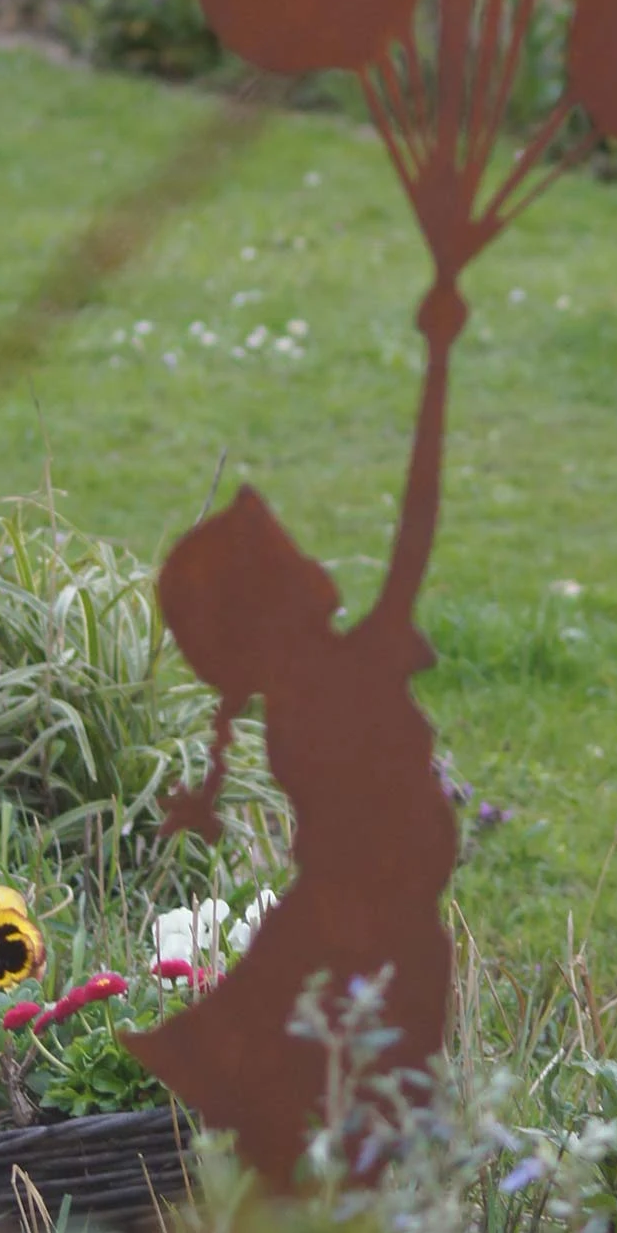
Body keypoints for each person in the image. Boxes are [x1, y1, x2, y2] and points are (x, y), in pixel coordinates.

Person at [123, 483, 457, 1193]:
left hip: (364, 917)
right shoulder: (343, 671)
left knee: (330, 1082)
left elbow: (417, 534)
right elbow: (414, 536)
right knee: (349, 1088)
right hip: (367, 922)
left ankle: (296, 1185)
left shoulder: (306, 690)